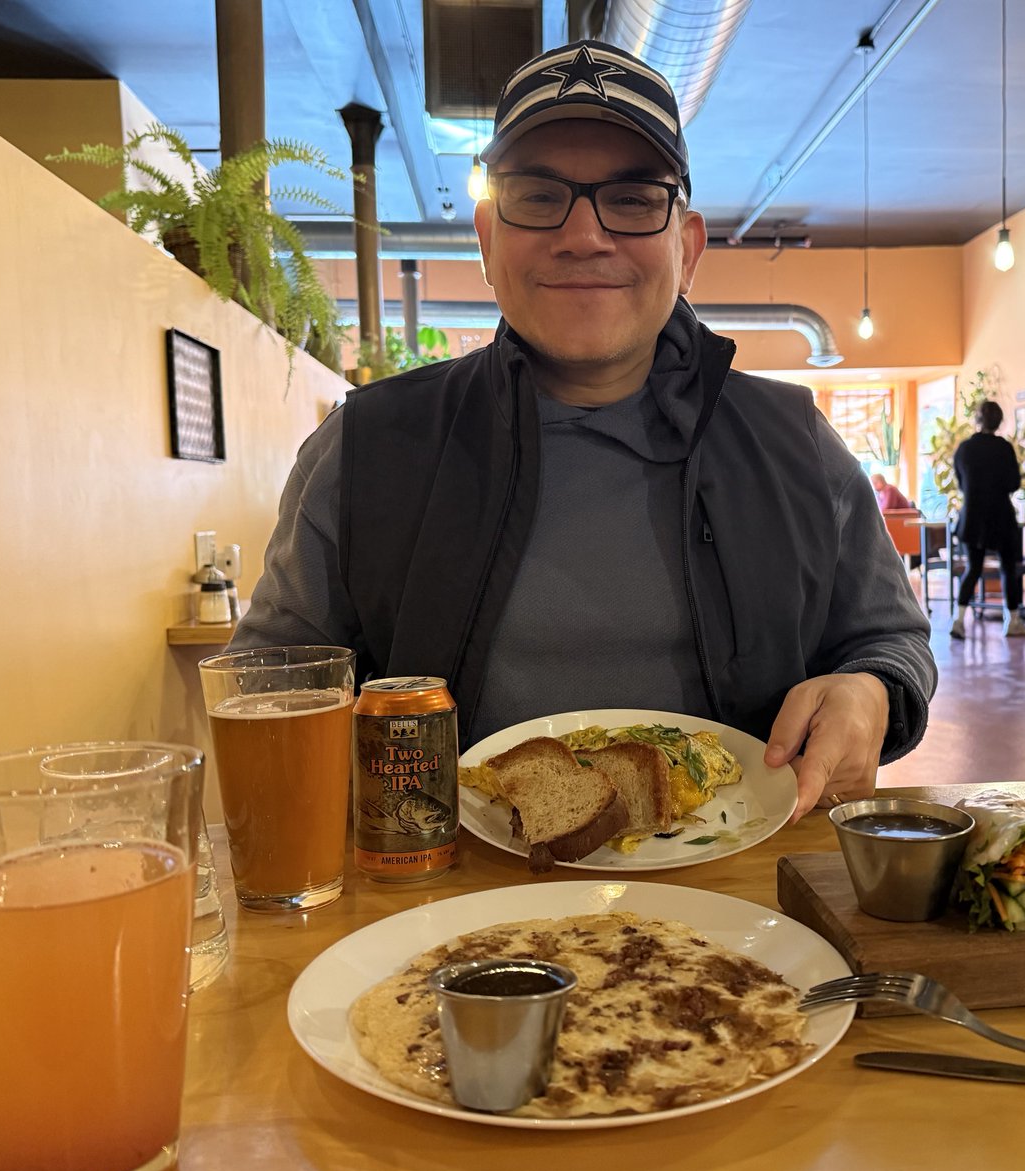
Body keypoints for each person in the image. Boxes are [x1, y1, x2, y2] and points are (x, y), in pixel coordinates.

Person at [232, 39, 937, 822]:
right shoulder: (366, 447)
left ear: (688, 247)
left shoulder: (794, 441)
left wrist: (871, 691)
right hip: (444, 903)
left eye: (634, 200)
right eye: (538, 196)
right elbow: (271, 675)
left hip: (748, 892)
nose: (585, 235)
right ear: (488, 240)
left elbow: (890, 641)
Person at [950, 400, 1025, 639]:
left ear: (977, 420)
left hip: (973, 515)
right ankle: (1012, 621)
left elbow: (961, 484)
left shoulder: (964, 448)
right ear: (999, 421)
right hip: (1001, 515)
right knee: (1008, 568)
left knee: (973, 568)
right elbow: (1014, 483)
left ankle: (959, 620)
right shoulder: (1004, 448)